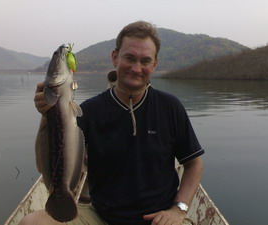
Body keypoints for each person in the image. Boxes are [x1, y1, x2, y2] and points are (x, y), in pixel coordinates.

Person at [19, 21, 204, 225]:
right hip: (101, 217)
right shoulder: (88, 111)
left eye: (145, 60)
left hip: (159, 219)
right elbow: (42, 165)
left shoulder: (170, 107)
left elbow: (193, 163)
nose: (136, 68)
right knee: (32, 222)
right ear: (115, 57)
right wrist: (47, 115)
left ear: (155, 64)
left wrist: (179, 210)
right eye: (129, 58)